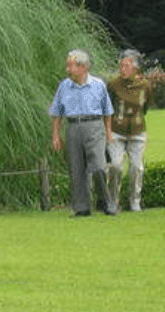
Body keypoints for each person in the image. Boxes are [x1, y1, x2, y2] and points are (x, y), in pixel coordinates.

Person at [49, 49, 118, 216]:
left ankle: (106, 202)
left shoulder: (98, 85)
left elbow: (108, 111)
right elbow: (57, 113)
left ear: (83, 67)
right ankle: (81, 207)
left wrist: (108, 133)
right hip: (73, 127)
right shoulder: (64, 86)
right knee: (76, 169)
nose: (67, 69)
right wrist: (56, 135)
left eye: (70, 65)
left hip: (94, 126)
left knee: (99, 167)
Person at [106, 49, 154, 211]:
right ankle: (113, 201)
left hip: (138, 132)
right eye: (121, 65)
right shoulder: (113, 84)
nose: (122, 69)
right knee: (116, 166)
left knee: (136, 167)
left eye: (126, 66)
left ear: (136, 68)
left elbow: (145, 107)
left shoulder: (145, 86)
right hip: (116, 131)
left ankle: (135, 201)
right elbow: (108, 107)